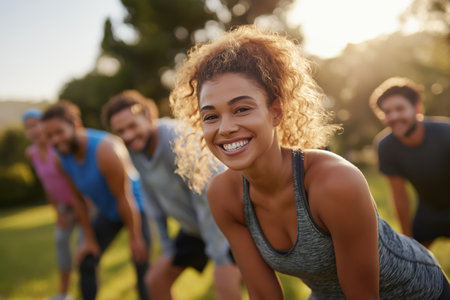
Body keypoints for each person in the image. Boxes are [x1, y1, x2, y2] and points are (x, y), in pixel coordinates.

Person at [169, 25, 450, 299]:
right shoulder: (224, 196)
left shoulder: (335, 182)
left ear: (276, 112)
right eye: (211, 116)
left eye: (241, 109)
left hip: (415, 291)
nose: (225, 128)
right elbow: (263, 293)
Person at [101, 90, 242, 300]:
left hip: (229, 220)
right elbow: (151, 198)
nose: (128, 135)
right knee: (155, 280)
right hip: (195, 229)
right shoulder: (134, 148)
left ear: (149, 117)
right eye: (121, 131)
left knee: (226, 284)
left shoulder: (178, 140)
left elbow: (206, 197)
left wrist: (220, 255)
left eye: (132, 126)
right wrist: (167, 247)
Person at [41, 101, 151, 300]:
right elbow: (77, 200)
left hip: (135, 207)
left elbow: (123, 196)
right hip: (108, 213)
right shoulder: (60, 159)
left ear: (75, 125)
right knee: (86, 260)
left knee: (141, 264)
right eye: (49, 136)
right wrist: (89, 239)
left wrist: (135, 238)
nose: (55, 140)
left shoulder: (106, 149)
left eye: (59, 132)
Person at [369, 77, 450, 248]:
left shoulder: (446, 133)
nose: (394, 116)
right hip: (428, 211)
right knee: (414, 263)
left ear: (417, 108)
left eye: (400, 108)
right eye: (387, 112)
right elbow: (400, 196)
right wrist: (408, 242)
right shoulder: (385, 146)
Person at [23, 109, 78, 300]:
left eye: (36, 124)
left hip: (83, 205)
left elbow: (76, 181)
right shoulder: (31, 154)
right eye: (27, 127)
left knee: (85, 250)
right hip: (64, 209)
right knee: (61, 244)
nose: (33, 130)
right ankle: (63, 294)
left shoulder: (59, 149)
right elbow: (47, 185)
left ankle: (89, 290)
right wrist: (58, 212)